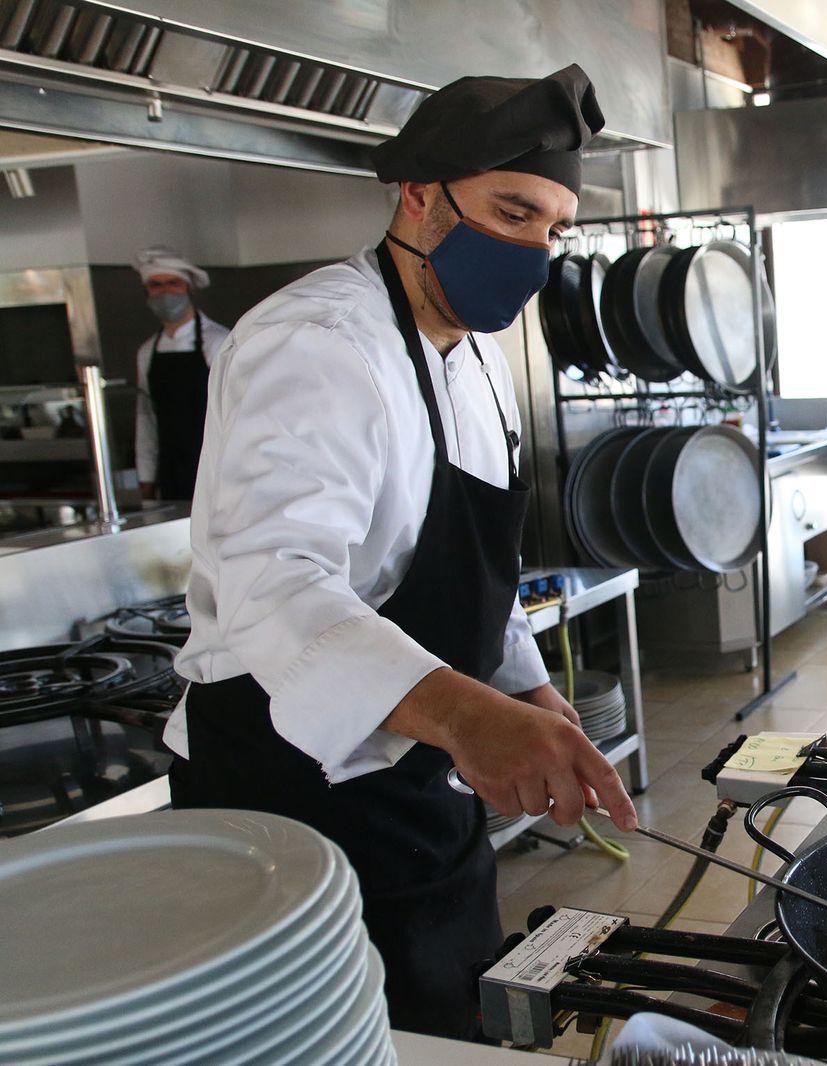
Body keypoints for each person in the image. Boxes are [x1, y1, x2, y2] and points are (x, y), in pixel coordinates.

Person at [162, 65, 638, 1040]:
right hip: (289, 791)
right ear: (420, 194)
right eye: (511, 212)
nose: (532, 251)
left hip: (420, 775)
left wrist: (525, 692)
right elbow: (275, 580)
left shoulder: (479, 361)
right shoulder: (317, 340)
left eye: (550, 229)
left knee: (454, 1012)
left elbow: (475, 577)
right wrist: (467, 712)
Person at [132, 246, 226, 501]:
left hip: (216, 471)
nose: (165, 292)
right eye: (156, 285)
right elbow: (147, 418)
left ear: (188, 288)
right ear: (147, 292)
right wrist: (147, 479)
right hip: (170, 474)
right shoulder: (147, 352)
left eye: (173, 283)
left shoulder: (219, 343)